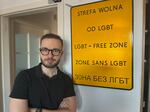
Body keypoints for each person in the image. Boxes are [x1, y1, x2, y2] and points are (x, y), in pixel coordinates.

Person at [9, 33, 76, 112]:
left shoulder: (66, 79)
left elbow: (71, 110)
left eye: (55, 51)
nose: (50, 56)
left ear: (61, 54)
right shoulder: (24, 77)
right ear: (40, 52)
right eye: (45, 50)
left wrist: (36, 110)